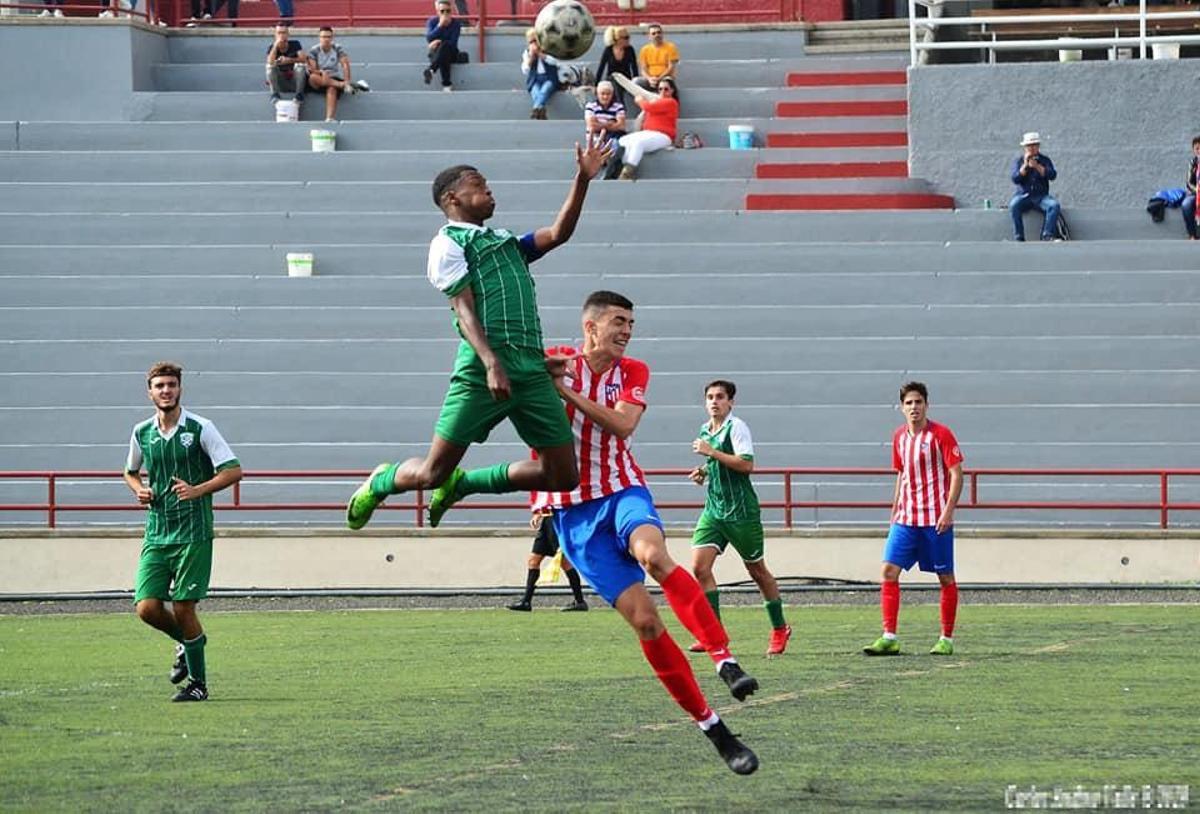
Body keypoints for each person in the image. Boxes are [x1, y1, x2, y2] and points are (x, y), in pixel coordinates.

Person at [532, 290, 760, 775]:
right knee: (646, 622)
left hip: (621, 490)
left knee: (654, 556)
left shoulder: (632, 372)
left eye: (631, 323)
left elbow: (621, 425)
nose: (627, 330)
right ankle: (715, 729)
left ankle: (724, 659)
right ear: (590, 326)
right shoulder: (555, 362)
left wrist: (564, 392)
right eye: (618, 321)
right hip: (573, 514)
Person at [344, 140, 613, 532]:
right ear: (453, 198)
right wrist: (491, 363)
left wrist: (582, 179)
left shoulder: (504, 242)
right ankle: (382, 480)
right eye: (479, 185)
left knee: (563, 477)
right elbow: (463, 309)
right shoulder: (448, 242)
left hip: (530, 366)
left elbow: (558, 233)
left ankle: (466, 483)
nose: (489, 192)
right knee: (431, 473)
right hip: (482, 368)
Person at [123, 362, 242, 702]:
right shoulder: (141, 432)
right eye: (159, 385)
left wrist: (198, 489)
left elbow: (234, 471)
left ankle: (199, 685)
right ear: (150, 392)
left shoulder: (201, 427)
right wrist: (138, 489)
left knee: (184, 606)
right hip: (158, 532)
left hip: (193, 532)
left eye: (171, 385)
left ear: (180, 389)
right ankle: (189, 645)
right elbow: (130, 471)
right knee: (146, 607)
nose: (166, 390)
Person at [687, 380, 792, 657]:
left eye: (720, 397)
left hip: (741, 512)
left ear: (730, 402)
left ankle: (780, 628)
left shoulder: (737, 428)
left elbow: (746, 465)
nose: (714, 402)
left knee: (757, 572)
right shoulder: (704, 430)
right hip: (714, 511)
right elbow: (715, 464)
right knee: (699, 567)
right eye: (709, 397)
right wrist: (703, 472)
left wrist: (711, 453)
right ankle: (714, 634)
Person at [863, 382, 963, 657]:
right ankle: (889, 636)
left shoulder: (941, 434)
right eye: (909, 403)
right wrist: (895, 508)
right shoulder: (899, 437)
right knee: (888, 572)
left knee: (945, 577)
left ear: (926, 405)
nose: (914, 407)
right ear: (901, 408)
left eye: (918, 402)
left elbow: (956, 473)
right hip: (906, 519)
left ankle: (946, 638)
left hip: (935, 519)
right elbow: (902, 473)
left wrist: (948, 510)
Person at [506, 507, 589, 612]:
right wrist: (538, 514)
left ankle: (580, 601)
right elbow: (546, 497)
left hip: (559, 520)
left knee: (564, 562)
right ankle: (526, 601)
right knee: (533, 561)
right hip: (547, 521)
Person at [611, 73, 678, 181]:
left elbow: (648, 107)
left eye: (666, 89)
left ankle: (628, 172)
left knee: (638, 143)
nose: (662, 92)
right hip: (648, 133)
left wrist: (639, 100)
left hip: (664, 136)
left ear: (672, 91)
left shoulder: (671, 102)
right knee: (623, 141)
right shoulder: (657, 101)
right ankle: (623, 168)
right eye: (660, 89)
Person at [306, 27, 370, 123]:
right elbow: (313, 69)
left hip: (333, 77)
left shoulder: (337, 48)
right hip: (319, 78)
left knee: (332, 88)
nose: (326, 39)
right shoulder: (314, 50)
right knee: (312, 77)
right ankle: (344, 85)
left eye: (328, 37)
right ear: (319, 38)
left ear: (332, 38)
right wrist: (322, 73)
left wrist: (347, 79)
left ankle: (329, 118)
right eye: (323, 37)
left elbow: (345, 64)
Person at [1008, 131, 1061, 242]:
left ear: (1038, 146)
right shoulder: (1019, 161)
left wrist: (1037, 166)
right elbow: (1015, 178)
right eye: (1029, 146)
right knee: (1014, 205)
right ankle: (1019, 236)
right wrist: (1025, 166)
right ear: (1025, 147)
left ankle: (1047, 234)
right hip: (1024, 195)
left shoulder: (1045, 160)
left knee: (1054, 205)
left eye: (1034, 145)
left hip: (1041, 196)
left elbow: (1052, 175)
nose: (1031, 148)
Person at [584, 80, 626, 180]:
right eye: (602, 94)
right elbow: (592, 126)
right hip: (595, 137)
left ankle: (608, 174)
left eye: (608, 94)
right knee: (599, 147)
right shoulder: (591, 106)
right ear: (597, 94)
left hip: (613, 136)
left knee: (616, 147)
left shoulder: (619, 106)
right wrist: (610, 123)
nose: (605, 97)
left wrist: (600, 124)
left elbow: (621, 126)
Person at [521, 28, 561, 120]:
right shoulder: (527, 53)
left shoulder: (549, 49)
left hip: (549, 78)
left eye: (535, 40)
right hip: (535, 79)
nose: (533, 43)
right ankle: (540, 110)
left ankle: (536, 109)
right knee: (536, 92)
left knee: (545, 90)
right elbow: (525, 70)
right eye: (531, 41)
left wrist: (540, 54)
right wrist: (531, 58)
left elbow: (554, 62)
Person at [424, 0, 462, 93]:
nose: (445, 13)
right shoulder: (433, 21)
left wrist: (438, 42)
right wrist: (440, 25)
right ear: (438, 12)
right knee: (443, 55)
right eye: (442, 11)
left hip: (451, 52)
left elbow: (453, 42)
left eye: (447, 11)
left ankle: (432, 69)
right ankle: (447, 84)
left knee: (445, 47)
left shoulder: (456, 23)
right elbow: (429, 37)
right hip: (436, 53)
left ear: (451, 11)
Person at [595, 26, 638, 106]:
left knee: (619, 85)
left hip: (625, 79)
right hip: (612, 78)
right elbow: (601, 67)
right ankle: (621, 107)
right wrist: (596, 84)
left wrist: (635, 83)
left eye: (628, 37)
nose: (628, 40)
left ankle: (619, 107)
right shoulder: (608, 49)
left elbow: (634, 67)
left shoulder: (630, 49)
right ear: (618, 39)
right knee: (615, 83)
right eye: (626, 38)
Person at [266, 24, 306, 107]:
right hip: (280, 81)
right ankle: (275, 94)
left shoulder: (295, 44)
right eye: (279, 33)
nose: (281, 35)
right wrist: (275, 46)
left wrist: (289, 60)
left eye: (284, 32)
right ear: (275, 35)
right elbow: (270, 62)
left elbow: (303, 59)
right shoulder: (272, 47)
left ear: (288, 34)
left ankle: (299, 95)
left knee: (300, 66)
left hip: (294, 80)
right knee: (269, 67)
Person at [635, 22, 679, 90]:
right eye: (653, 33)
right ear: (649, 36)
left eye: (659, 32)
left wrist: (659, 78)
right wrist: (649, 79)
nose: (657, 35)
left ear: (662, 34)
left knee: (666, 83)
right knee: (636, 82)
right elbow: (643, 69)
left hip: (665, 77)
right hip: (650, 79)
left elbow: (671, 68)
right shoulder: (644, 49)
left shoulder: (671, 47)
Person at [1181, 134, 1200, 240]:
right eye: (1197, 148)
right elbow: (1188, 183)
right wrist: (1196, 189)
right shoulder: (1192, 163)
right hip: (1196, 193)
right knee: (1186, 204)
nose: (1199, 151)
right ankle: (1192, 234)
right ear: (1193, 150)